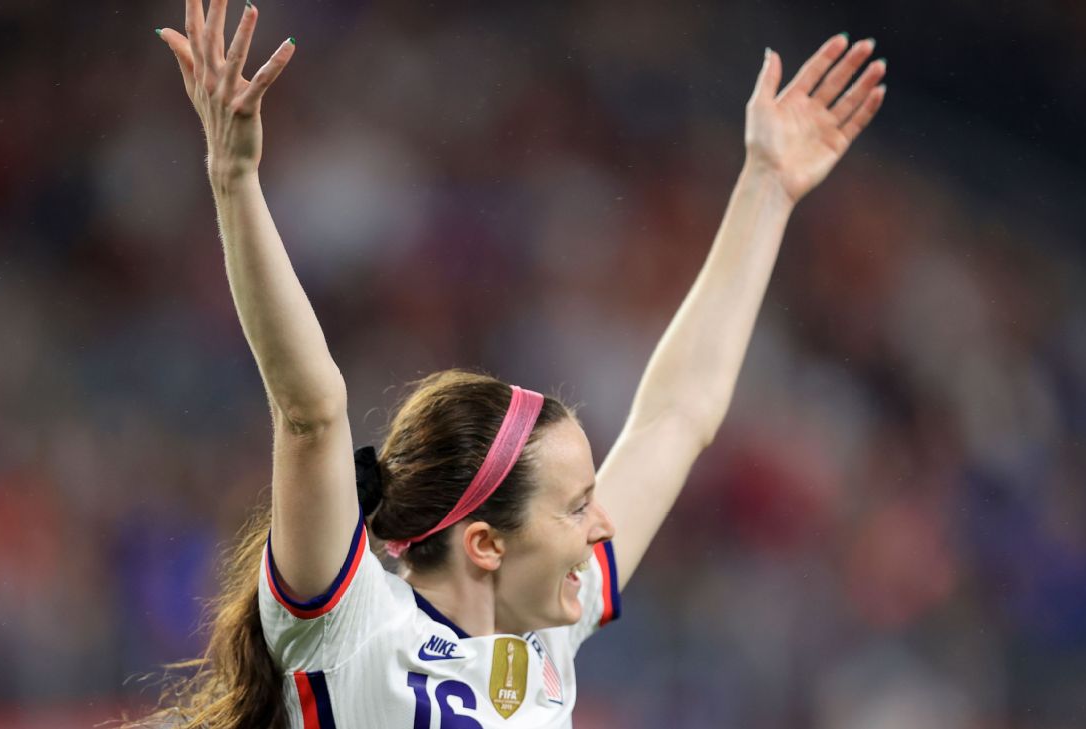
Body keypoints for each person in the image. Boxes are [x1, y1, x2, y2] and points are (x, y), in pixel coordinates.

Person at [136, 1, 886, 726]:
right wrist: (234, 182)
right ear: (486, 544)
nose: (603, 526)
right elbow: (310, 411)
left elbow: (676, 416)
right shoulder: (352, 621)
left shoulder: (541, 632)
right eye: (574, 505)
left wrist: (766, 185)